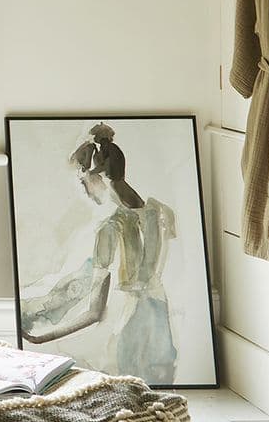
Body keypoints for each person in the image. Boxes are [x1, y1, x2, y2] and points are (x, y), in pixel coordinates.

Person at [20, 123, 178, 382]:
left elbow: (94, 313)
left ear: (96, 176)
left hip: (128, 334)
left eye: (83, 182)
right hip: (161, 331)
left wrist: (39, 338)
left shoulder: (110, 228)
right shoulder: (161, 212)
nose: (84, 190)